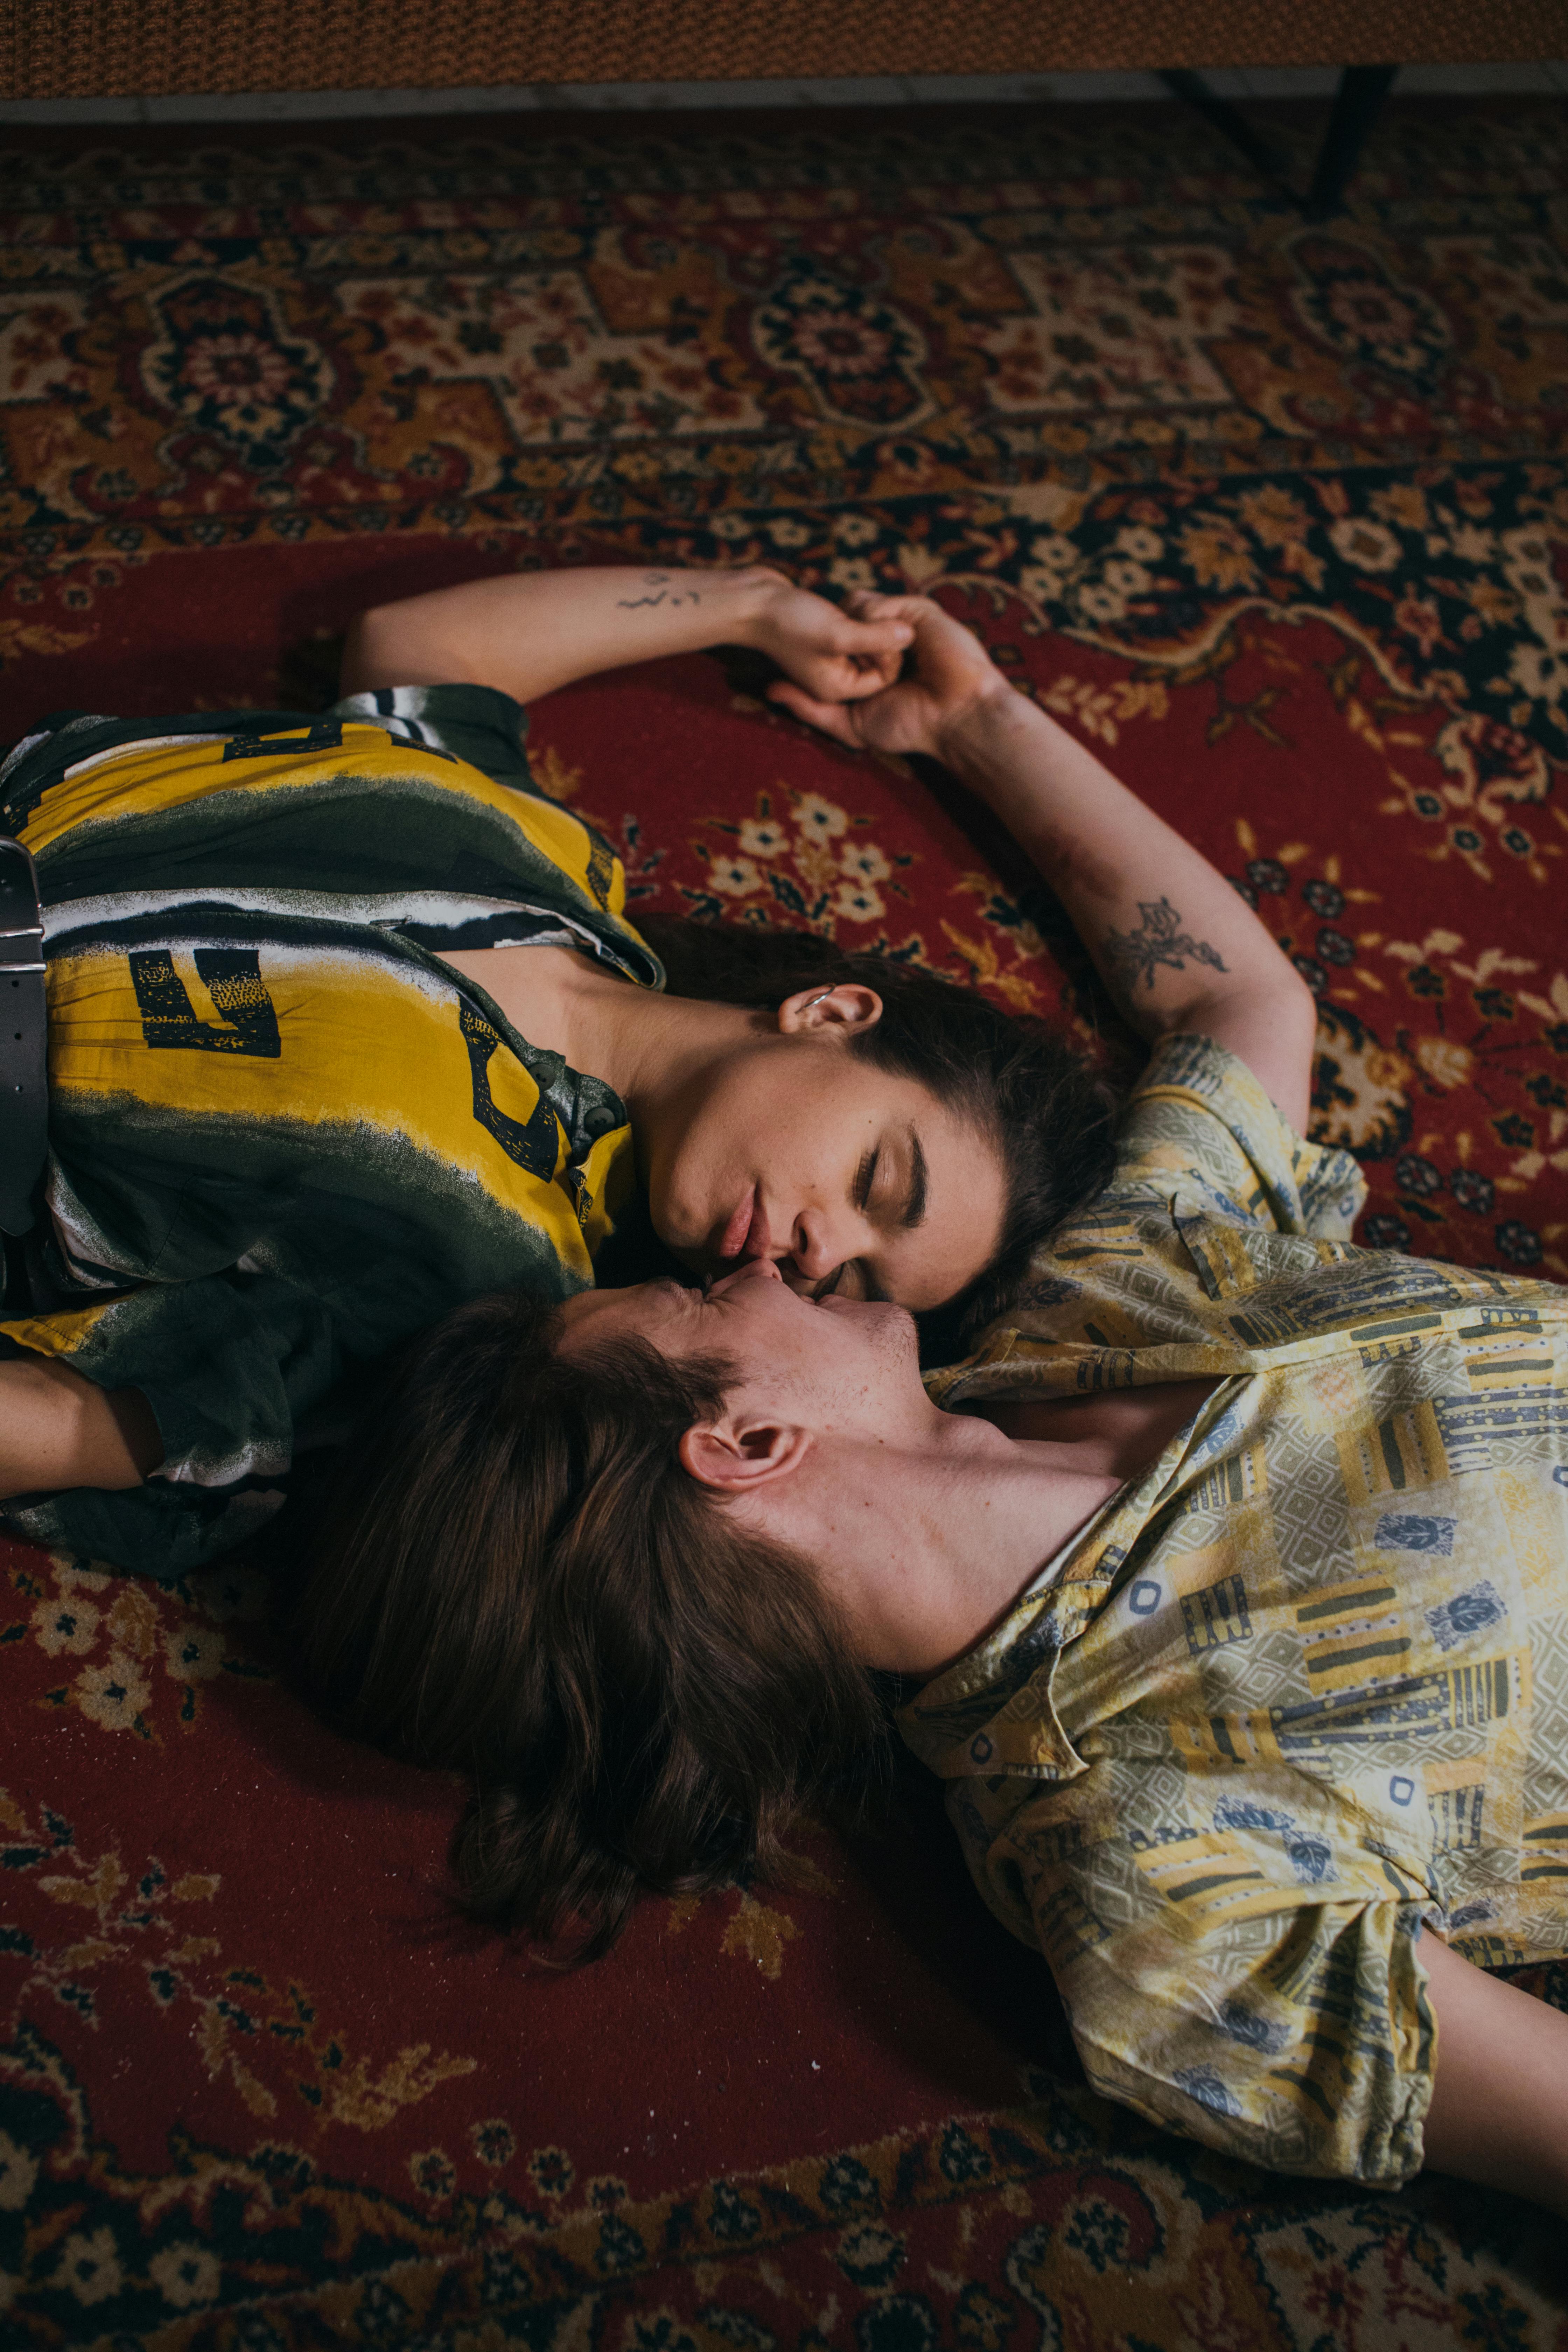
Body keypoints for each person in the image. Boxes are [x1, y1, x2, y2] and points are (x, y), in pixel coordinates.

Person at [295, 615, 1568, 2214]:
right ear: (742, 1442)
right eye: (695, 1301)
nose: (738, 1263)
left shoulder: (1083, 1325)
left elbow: (1241, 1014)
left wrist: (975, 724)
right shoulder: (1142, 1868)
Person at [0, 568, 1125, 1574]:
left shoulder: (498, 1281)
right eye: (877, 1183)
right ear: (831, 1012)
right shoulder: (542, 864)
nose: (823, 1255)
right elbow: (415, 652)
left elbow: (92, 1416)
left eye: (855, 1288)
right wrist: (753, 607)